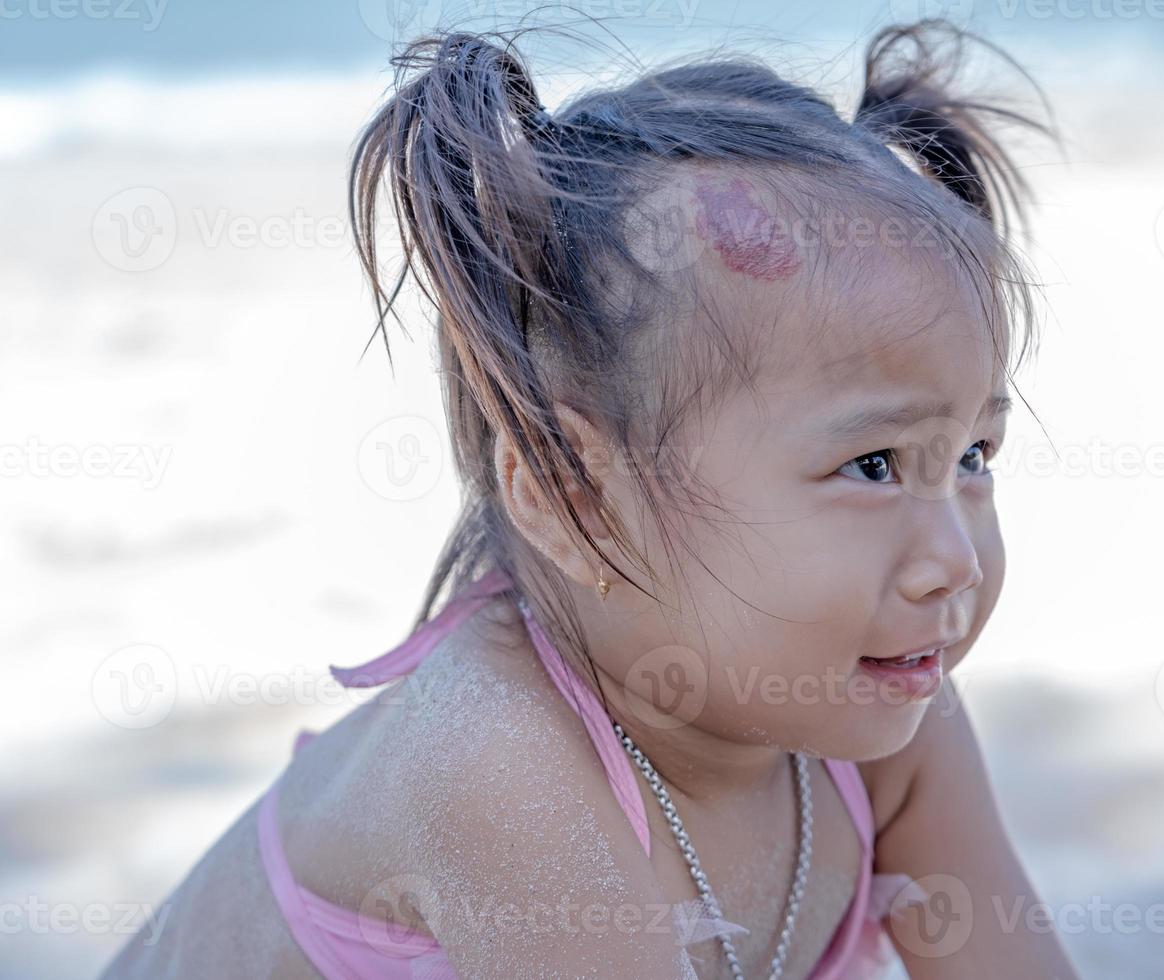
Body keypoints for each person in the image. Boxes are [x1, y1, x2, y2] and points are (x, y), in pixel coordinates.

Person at [100, 18, 1079, 979]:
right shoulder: (502, 767)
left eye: (972, 456)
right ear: (576, 498)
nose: (954, 556)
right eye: (873, 464)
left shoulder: (894, 720)